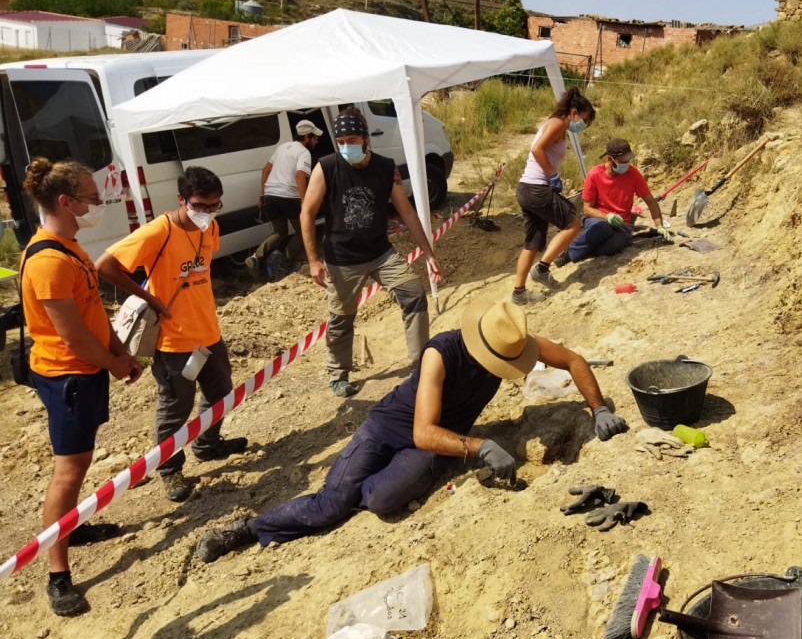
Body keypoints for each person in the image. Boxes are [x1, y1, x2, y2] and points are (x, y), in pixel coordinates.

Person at [194, 300, 629, 561]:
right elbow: (422, 431)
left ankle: (365, 488)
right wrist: (478, 446)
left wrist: (598, 409)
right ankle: (247, 529)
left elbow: (573, 360)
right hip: (391, 427)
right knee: (330, 506)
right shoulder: (441, 354)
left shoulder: (513, 338)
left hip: (437, 437)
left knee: (380, 500)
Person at [19, 158, 143, 616]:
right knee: (69, 469)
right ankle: (57, 572)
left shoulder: (71, 246)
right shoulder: (49, 260)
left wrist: (119, 353)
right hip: (67, 374)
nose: (99, 204)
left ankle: (71, 525)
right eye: (92, 198)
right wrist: (112, 363)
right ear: (66, 202)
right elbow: (71, 336)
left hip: (86, 369)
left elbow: (94, 313)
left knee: (83, 457)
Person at [96, 167, 248, 504]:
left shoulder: (211, 228)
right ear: (181, 199)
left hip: (208, 332)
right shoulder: (157, 232)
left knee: (221, 391)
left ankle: (207, 445)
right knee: (175, 406)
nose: (207, 213)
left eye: (214, 206)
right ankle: (170, 469)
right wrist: (150, 298)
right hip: (174, 342)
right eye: (200, 205)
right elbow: (104, 266)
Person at [301, 107, 443, 398]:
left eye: (352, 139)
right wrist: (313, 260)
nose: (345, 146)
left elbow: (407, 212)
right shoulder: (326, 167)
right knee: (342, 318)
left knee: (413, 294)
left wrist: (428, 254)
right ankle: (338, 373)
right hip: (342, 258)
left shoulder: (385, 167)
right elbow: (307, 212)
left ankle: (419, 364)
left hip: (380, 252)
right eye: (340, 140)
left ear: (366, 139)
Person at [511, 87, 595, 305]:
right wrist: (553, 175)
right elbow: (537, 149)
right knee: (573, 224)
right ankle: (542, 269)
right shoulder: (558, 123)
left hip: (528, 188)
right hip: (536, 188)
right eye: (583, 120)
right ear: (574, 111)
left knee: (532, 243)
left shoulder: (557, 124)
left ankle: (518, 293)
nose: (583, 125)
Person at [562, 138, 671, 265]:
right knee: (602, 228)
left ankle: (587, 248)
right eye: (622, 161)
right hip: (597, 219)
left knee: (616, 245)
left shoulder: (633, 174)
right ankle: (568, 253)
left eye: (628, 160)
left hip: (621, 225)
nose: (626, 164)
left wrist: (660, 226)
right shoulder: (594, 174)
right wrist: (607, 216)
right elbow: (587, 209)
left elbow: (651, 202)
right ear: (610, 159)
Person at [245, 119, 323, 278]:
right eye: (315, 137)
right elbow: (300, 175)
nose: (317, 140)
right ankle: (284, 263)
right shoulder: (304, 153)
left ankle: (256, 257)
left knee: (280, 232)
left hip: (271, 196)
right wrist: (304, 202)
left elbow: (265, 170)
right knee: (303, 231)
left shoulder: (282, 147)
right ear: (307, 137)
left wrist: (262, 195)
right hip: (289, 197)